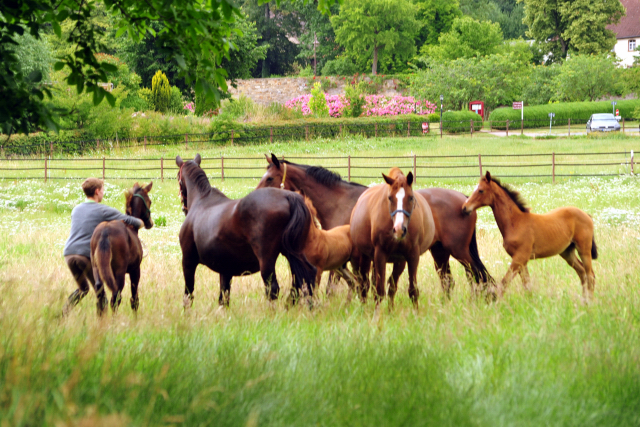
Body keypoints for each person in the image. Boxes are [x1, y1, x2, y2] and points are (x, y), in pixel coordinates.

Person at [62, 178, 143, 315]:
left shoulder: (76, 209)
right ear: (97, 191)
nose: (103, 193)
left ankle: (64, 312)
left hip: (69, 254)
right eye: (103, 190)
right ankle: (103, 325)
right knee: (101, 292)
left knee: (83, 289)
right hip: (85, 255)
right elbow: (127, 219)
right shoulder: (103, 210)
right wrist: (140, 223)